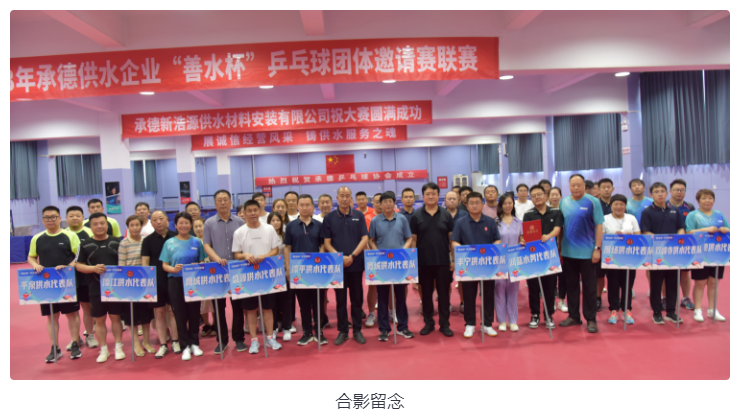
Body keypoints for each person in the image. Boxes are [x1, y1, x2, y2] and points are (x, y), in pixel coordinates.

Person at [28, 206, 82, 363]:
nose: (50, 220)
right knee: (51, 317)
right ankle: (55, 347)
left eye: (53, 217)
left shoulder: (70, 236)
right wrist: (35, 265)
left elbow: (79, 257)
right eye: (47, 218)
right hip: (46, 285)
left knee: (72, 314)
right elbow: (31, 257)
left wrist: (68, 266)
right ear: (42, 220)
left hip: (67, 283)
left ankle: (75, 343)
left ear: (59, 218)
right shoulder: (37, 238)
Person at [320, 186, 369, 345]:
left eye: (347, 195)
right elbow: (327, 243)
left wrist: (352, 256)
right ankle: (342, 331)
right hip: (338, 265)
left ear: (351, 198)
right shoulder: (330, 218)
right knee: (340, 300)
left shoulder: (359, 215)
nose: (344, 198)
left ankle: (357, 330)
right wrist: (340, 258)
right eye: (342, 195)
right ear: (337, 198)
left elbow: (364, 239)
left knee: (356, 299)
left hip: (356, 264)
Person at [233, 200, 282, 353]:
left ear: (260, 211)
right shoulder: (239, 232)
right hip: (248, 276)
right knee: (251, 309)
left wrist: (265, 256)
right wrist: (245, 255)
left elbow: (275, 250)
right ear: (244, 213)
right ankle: (254, 340)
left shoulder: (269, 229)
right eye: (249, 211)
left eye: (255, 210)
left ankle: (270, 337)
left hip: (267, 274)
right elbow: (236, 255)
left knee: (267, 308)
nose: (253, 213)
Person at [75, 212, 124, 363]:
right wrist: (93, 269)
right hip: (95, 288)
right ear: (90, 226)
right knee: (100, 320)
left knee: (115, 318)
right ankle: (103, 349)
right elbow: (78, 265)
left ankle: (118, 346)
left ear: (107, 224)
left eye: (102, 223)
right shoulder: (84, 244)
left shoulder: (117, 242)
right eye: (95, 224)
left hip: (116, 288)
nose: (99, 226)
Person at [202, 189, 247, 354]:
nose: (223, 203)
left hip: (236, 269)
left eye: (225, 199)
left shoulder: (240, 222)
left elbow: (245, 244)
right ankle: (222, 341)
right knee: (218, 308)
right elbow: (206, 245)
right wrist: (216, 259)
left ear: (230, 202)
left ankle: (239, 338)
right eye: (219, 200)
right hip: (218, 271)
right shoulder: (209, 223)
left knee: (238, 307)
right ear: (215, 203)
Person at [451, 192, 501, 338]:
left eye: (477, 202)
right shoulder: (460, 222)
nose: (474, 205)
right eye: (471, 203)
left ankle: (487, 324)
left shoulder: (490, 221)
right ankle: (470, 324)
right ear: (466, 205)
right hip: (469, 265)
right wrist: (461, 252)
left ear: (482, 204)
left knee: (488, 295)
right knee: (469, 295)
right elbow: (454, 241)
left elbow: (497, 240)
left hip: (487, 265)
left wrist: (494, 252)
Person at [160, 212, 208, 361]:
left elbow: (202, 261)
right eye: (180, 223)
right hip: (175, 282)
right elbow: (164, 265)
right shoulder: (169, 243)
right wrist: (174, 269)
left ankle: (195, 343)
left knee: (194, 313)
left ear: (190, 225)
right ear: (175, 225)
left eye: (186, 223)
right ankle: (184, 346)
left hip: (193, 282)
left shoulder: (196, 242)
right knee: (179, 314)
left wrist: (197, 266)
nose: (184, 225)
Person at [559, 174, 604, 334]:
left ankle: (591, 319)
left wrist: (597, 248)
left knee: (589, 287)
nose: (576, 188)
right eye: (573, 185)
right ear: (569, 186)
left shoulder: (593, 202)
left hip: (588, 253)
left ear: (584, 185)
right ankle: (573, 316)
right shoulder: (563, 202)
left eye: (579, 185)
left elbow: (599, 226)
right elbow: (561, 227)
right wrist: (559, 248)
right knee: (571, 286)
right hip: (568, 252)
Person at [368, 192, 415, 341]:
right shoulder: (375, 220)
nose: (388, 204)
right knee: (382, 297)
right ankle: (384, 329)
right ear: (380, 204)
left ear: (395, 203)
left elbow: (409, 238)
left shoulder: (402, 219)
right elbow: (371, 240)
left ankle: (403, 327)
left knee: (400, 296)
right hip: (382, 264)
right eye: (385, 202)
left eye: (390, 201)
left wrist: (403, 252)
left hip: (399, 263)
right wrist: (377, 254)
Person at [410, 182, 456, 337]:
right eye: (427, 194)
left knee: (443, 295)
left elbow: (451, 239)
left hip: (443, 261)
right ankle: (428, 323)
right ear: (423, 196)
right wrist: (413, 260)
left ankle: (444, 324)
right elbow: (413, 240)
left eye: (433, 194)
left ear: (438, 195)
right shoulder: (416, 216)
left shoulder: (446, 215)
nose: (430, 196)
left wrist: (453, 259)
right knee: (426, 294)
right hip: (423, 262)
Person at [285, 194, 329, 346]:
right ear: (298, 207)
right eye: (302, 205)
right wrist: (288, 268)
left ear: (312, 207)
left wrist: (319, 261)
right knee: (303, 304)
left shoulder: (319, 225)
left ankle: (319, 331)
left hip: (316, 271)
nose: (304, 208)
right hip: (299, 272)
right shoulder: (290, 226)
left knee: (318, 303)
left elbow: (323, 245)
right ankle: (307, 332)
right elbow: (287, 247)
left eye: (307, 205)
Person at [640, 182, 685, 325]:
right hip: (656, 254)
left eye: (662, 191)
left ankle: (671, 312)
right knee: (656, 284)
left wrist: (677, 239)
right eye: (656, 191)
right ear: (651, 195)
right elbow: (645, 231)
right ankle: (657, 312)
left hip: (673, 253)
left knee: (673, 283)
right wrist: (662, 242)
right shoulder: (647, 212)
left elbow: (681, 228)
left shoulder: (674, 210)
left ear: (667, 193)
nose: (660, 194)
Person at [685, 189, 729, 322]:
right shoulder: (693, 215)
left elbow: (729, 229)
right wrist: (705, 230)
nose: (707, 201)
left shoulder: (719, 214)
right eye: (704, 198)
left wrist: (726, 229)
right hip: (700, 254)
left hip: (718, 254)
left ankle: (712, 310)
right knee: (700, 283)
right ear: (698, 200)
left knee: (714, 283)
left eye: (710, 198)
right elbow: (688, 232)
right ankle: (697, 310)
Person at [523, 185, 563, 330]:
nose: (537, 197)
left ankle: (548, 314)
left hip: (550, 255)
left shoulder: (556, 212)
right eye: (533, 196)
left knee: (549, 287)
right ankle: (534, 314)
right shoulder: (528, 214)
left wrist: (548, 236)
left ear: (545, 196)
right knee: (533, 287)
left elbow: (557, 230)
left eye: (539, 194)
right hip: (533, 256)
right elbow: (527, 235)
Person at [141, 210, 180, 359]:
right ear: (151, 223)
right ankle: (163, 344)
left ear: (167, 220)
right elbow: (145, 264)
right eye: (155, 219)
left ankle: (175, 341)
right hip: (156, 282)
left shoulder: (176, 237)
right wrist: (148, 284)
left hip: (174, 280)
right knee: (159, 313)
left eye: (161, 218)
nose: (158, 222)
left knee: (173, 312)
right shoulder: (147, 241)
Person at [118, 215, 156, 356]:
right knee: (131, 316)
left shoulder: (146, 241)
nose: (134, 228)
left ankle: (146, 341)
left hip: (145, 283)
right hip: (130, 284)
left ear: (141, 226)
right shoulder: (124, 243)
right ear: (128, 227)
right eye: (131, 225)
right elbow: (121, 266)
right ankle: (136, 343)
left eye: (137, 225)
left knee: (146, 315)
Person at [602, 194, 640, 325]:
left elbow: (638, 236)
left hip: (629, 257)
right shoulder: (605, 219)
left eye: (621, 204)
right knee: (612, 284)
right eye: (616, 204)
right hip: (612, 258)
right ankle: (613, 310)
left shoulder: (631, 218)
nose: (619, 207)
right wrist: (614, 237)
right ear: (611, 205)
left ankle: (626, 310)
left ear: (625, 206)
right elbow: (602, 238)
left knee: (627, 284)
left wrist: (630, 237)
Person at [65, 206, 95, 349]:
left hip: (85, 277)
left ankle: (90, 335)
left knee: (87, 307)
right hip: (68, 279)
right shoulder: (63, 234)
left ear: (83, 217)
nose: (75, 218)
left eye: (78, 215)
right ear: (66, 218)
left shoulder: (90, 232)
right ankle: (75, 338)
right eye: (71, 216)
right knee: (71, 311)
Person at [495, 193, 524, 331]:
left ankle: (512, 320)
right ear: (501, 205)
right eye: (505, 203)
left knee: (513, 291)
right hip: (499, 261)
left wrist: (523, 242)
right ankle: (501, 321)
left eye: (510, 203)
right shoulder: (495, 222)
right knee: (499, 291)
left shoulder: (519, 223)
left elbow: (522, 239)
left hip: (514, 261)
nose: (507, 206)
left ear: (513, 204)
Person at [667, 179, 697, 311]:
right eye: (676, 190)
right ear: (670, 191)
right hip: (667, 244)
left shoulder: (689, 207)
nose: (679, 192)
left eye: (682, 190)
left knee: (685, 272)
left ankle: (685, 298)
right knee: (666, 273)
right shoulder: (664, 205)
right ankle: (665, 298)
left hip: (685, 245)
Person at [268, 211, 296, 341]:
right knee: (272, 302)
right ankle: (273, 328)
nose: (275, 223)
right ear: (269, 222)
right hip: (271, 273)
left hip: (284, 272)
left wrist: (287, 266)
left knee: (286, 301)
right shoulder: (266, 236)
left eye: (278, 220)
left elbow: (289, 251)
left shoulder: (286, 235)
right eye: (273, 220)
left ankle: (286, 327)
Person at [191, 218, 216, 339]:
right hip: (199, 275)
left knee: (213, 300)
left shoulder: (210, 239)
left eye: (200, 226)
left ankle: (215, 324)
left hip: (211, 273)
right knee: (203, 301)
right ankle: (207, 324)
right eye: (196, 227)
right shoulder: (192, 242)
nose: (198, 228)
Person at [356, 191, 378, 327]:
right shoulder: (357, 214)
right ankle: (369, 312)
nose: (361, 201)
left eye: (363, 199)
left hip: (382, 255)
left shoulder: (374, 214)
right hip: (364, 254)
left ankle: (391, 311)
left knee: (387, 285)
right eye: (358, 199)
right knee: (370, 284)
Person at [595, 178, 615, 311]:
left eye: (609, 187)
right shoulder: (595, 204)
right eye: (604, 187)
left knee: (613, 275)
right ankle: (597, 298)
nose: (606, 189)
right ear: (599, 189)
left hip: (615, 246)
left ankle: (614, 299)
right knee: (599, 274)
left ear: (613, 189)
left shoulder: (618, 203)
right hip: (600, 245)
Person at [548, 187, 567, 313]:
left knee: (563, 276)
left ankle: (561, 300)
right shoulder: (546, 211)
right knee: (551, 278)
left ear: (561, 196)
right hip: (549, 249)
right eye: (552, 194)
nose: (554, 197)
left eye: (557, 194)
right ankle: (551, 302)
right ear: (548, 196)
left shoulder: (564, 210)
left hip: (563, 248)